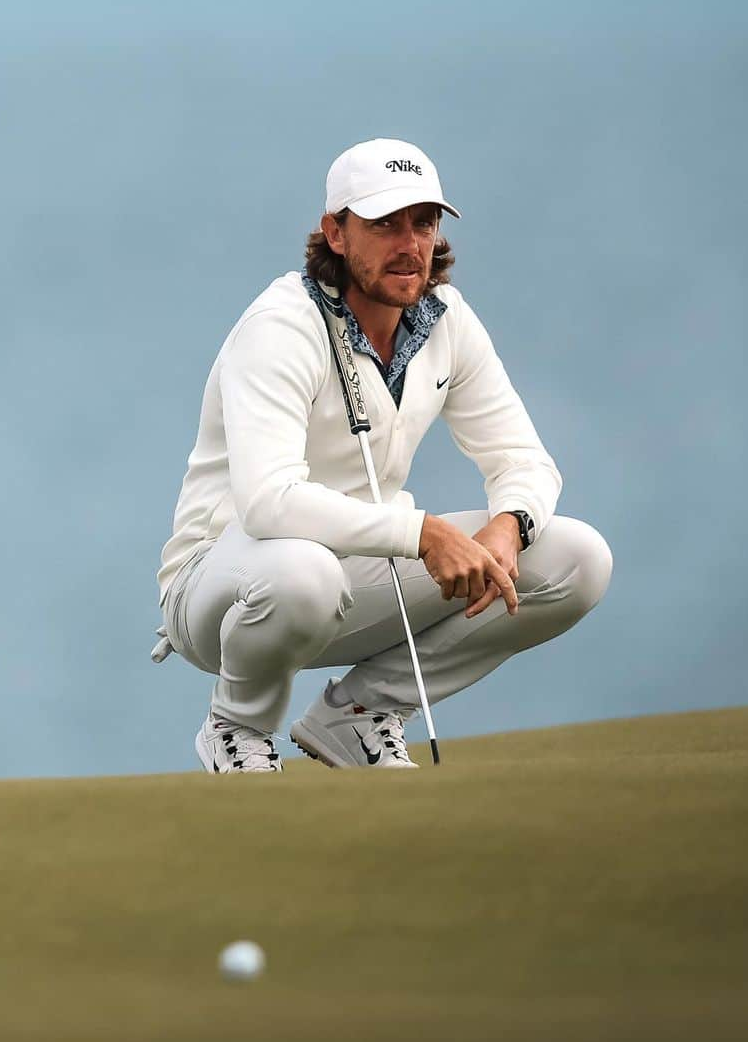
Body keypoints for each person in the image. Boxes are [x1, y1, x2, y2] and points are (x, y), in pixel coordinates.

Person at [155, 138, 612, 773]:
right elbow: (268, 502)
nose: (409, 243)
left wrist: (509, 526)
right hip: (225, 588)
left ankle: (361, 713)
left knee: (576, 559)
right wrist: (422, 533)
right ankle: (239, 727)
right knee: (302, 574)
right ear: (335, 233)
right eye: (384, 224)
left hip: (359, 575)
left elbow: (523, 459)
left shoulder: (444, 318)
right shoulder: (281, 325)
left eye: (422, 222)